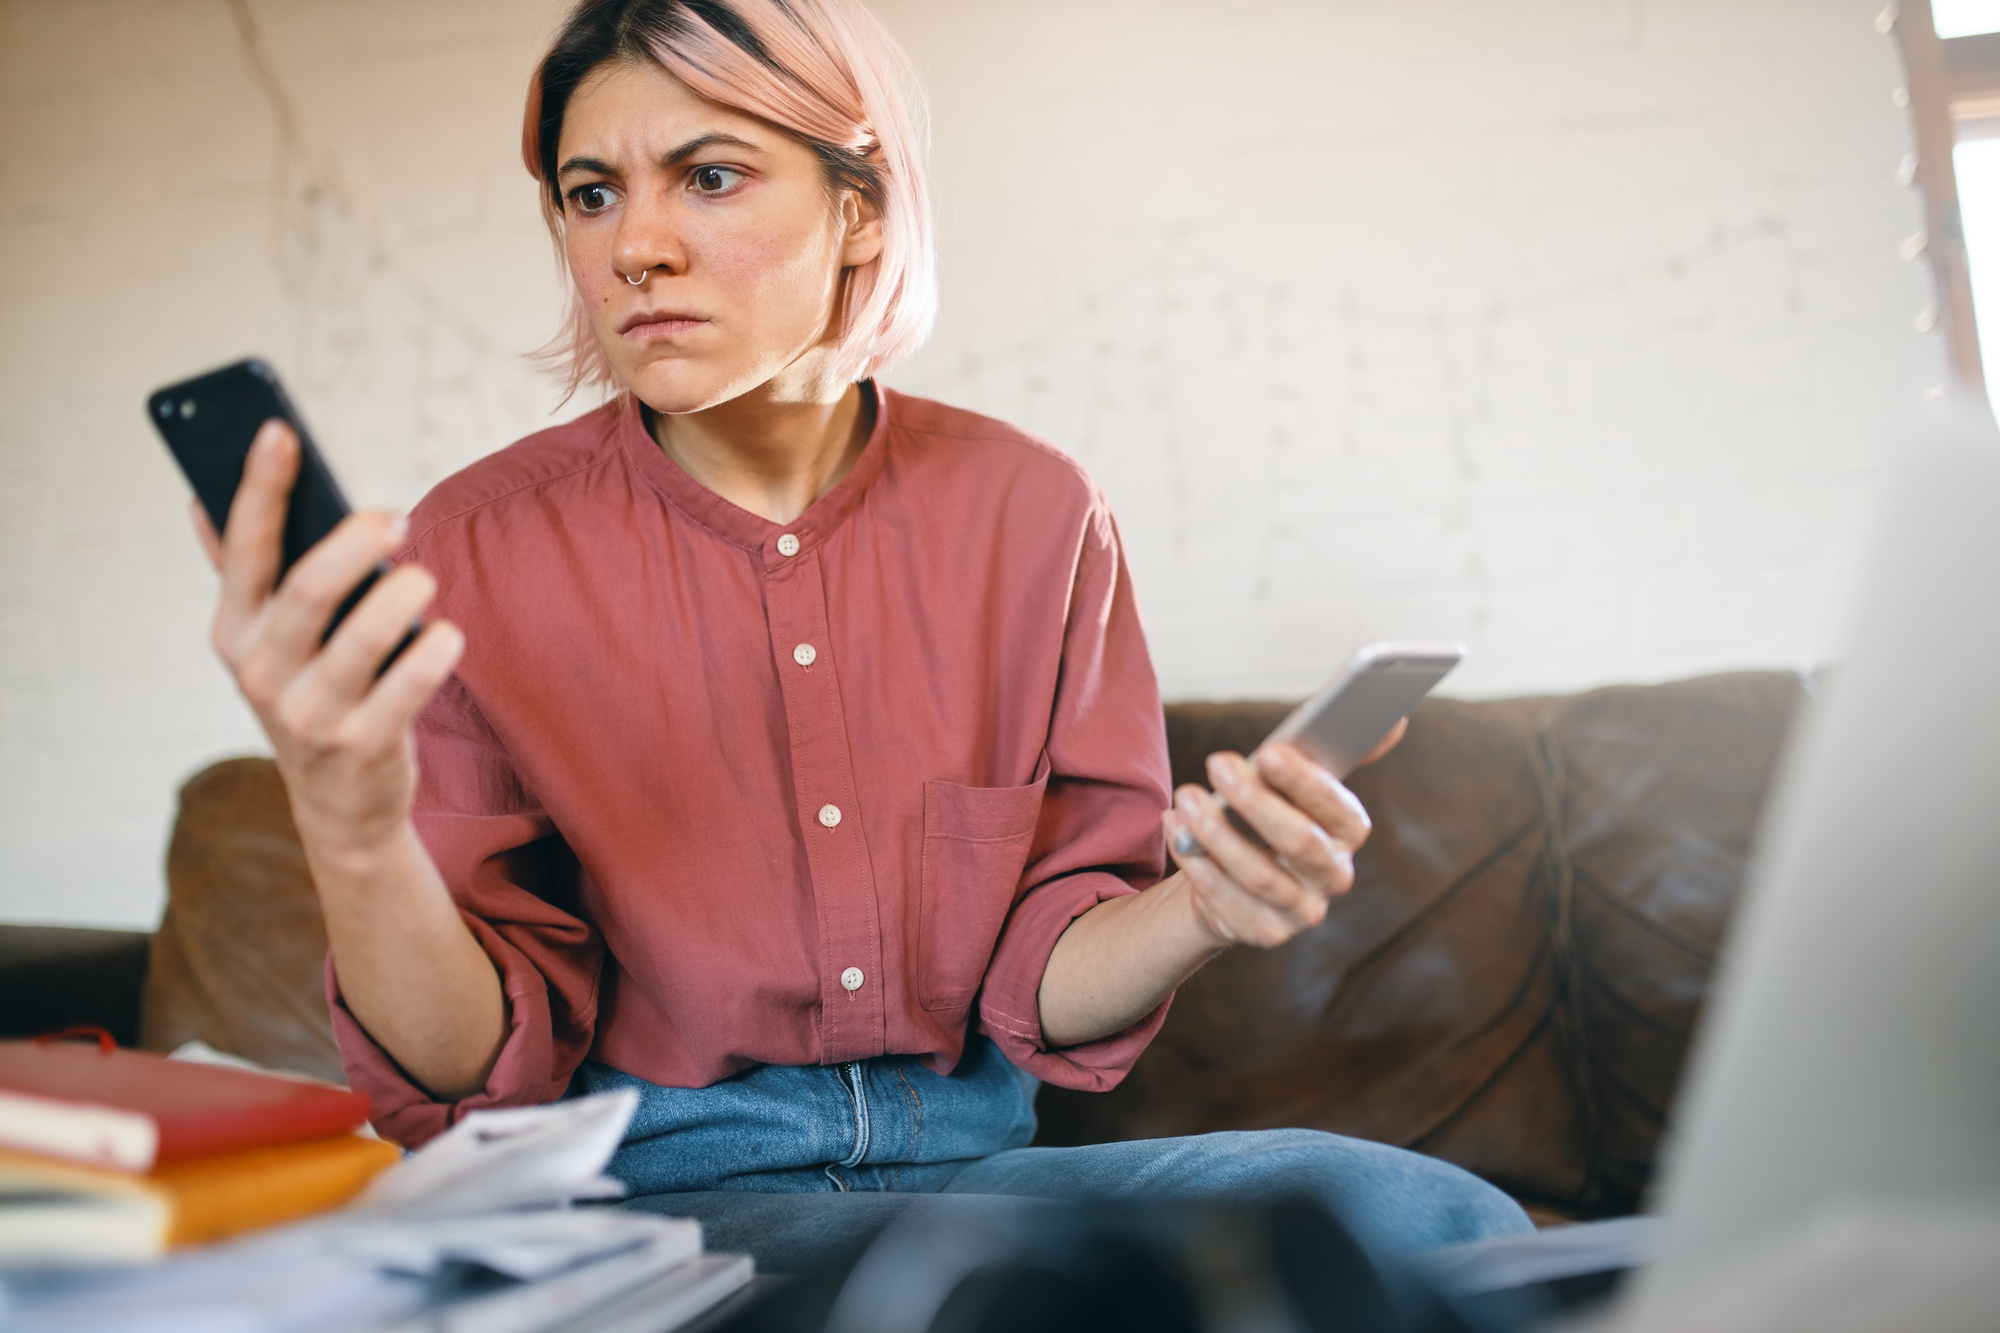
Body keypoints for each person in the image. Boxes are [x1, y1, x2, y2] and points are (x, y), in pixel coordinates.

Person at [192, 0, 1531, 1269]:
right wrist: (350, 822)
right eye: (591, 193)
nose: (632, 246)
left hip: (975, 1176)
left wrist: (1204, 907)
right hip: (657, 1200)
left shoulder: (1036, 511)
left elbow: (1045, 975)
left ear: (858, 205)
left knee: (1422, 1214)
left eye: (709, 176)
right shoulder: (476, 546)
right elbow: (467, 1060)